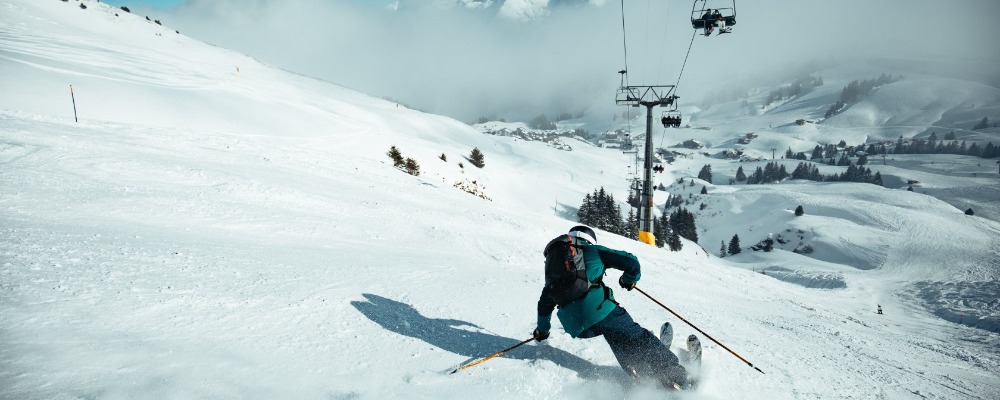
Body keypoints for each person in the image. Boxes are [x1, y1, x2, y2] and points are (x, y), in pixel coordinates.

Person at [532, 225, 689, 389]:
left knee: (614, 336)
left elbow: (544, 306)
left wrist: (542, 332)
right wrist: (628, 280)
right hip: (600, 311)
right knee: (637, 335)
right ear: (589, 240)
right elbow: (632, 262)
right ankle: (675, 374)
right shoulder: (591, 251)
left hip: (577, 327)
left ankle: (636, 368)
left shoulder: (553, 270)